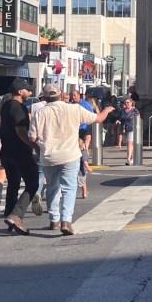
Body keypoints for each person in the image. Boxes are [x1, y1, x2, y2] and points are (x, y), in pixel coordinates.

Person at [29, 83, 115, 235]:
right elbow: (97, 118)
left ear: (45, 98)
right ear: (61, 94)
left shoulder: (40, 113)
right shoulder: (74, 109)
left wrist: (38, 147)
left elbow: (32, 137)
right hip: (70, 154)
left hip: (49, 156)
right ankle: (66, 221)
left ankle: (54, 220)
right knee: (69, 187)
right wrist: (107, 110)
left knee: (52, 187)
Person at [0, 80, 39, 235]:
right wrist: (33, 145)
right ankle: (16, 215)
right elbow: (21, 131)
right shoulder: (18, 106)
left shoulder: (5, 106)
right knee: (33, 183)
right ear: (20, 91)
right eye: (28, 90)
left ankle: (9, 215)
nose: (30, 93)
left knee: (13, 184)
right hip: (19, 152)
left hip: (6, 151)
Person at [121, 98, 140, 166]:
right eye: (125, 103)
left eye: (128, 102)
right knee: (129, 144)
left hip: (132, 128)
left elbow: (138, 119)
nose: (126, 104)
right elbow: (121, 118)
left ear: (131, 103)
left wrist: (137, 128)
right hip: (125, 129)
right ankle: (132, 158)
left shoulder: (135, 110)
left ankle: (128, 158)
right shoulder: (123, 110)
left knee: (129, 143)